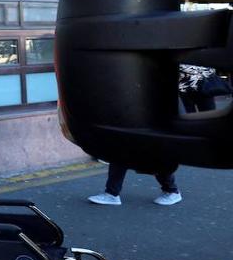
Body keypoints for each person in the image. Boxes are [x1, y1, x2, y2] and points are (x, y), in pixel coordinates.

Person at [88, 64, 231, 207]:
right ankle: (112, 193)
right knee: (122, 152)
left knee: (152, 156)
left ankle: (171, 190)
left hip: (153, 121)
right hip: (139, 119)